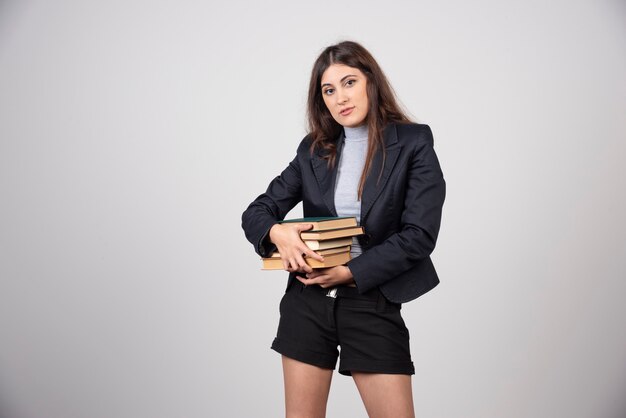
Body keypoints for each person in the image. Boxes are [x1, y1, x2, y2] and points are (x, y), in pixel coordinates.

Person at [241, 40, 446, 418]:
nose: (340, 98)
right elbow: (257, 212)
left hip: (372, 300)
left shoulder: (414, 143)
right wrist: (278, 233)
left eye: (349, 82)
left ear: (371, 81)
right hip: (307, 303)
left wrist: (351, 272)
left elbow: (419, 234)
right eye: (329, 90)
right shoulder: (314, 149)